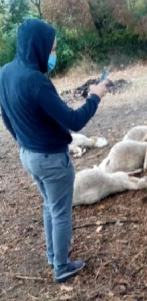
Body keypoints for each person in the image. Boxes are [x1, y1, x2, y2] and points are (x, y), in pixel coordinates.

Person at [0, 19, 108, 283]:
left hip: (28, 155)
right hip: (50, 159)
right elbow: (73, 121)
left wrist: (25, 142)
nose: (54, 55)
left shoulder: (5, 72)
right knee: (60, 211)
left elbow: (5, 115)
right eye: (52, 49)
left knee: (50, 205)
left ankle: (52, 256)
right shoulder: (36, 82)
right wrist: (95, 97)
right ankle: (62, 266)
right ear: (38, 46)